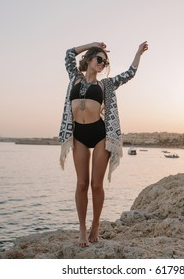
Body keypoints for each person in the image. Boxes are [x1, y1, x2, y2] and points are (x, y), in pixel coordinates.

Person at [58, 41, 148, 247]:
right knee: (81, 184)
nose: (102, 63)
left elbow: (130, 73)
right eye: (99, 59)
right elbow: (68, 53)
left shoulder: (105, 84)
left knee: (96, 185)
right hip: (78, 135)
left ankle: (95, 225)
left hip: (100, 134)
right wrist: (94, 44)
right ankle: (82, 229)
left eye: (105, 62)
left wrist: (137, 53)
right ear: (89, 59)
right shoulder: (74, 78)